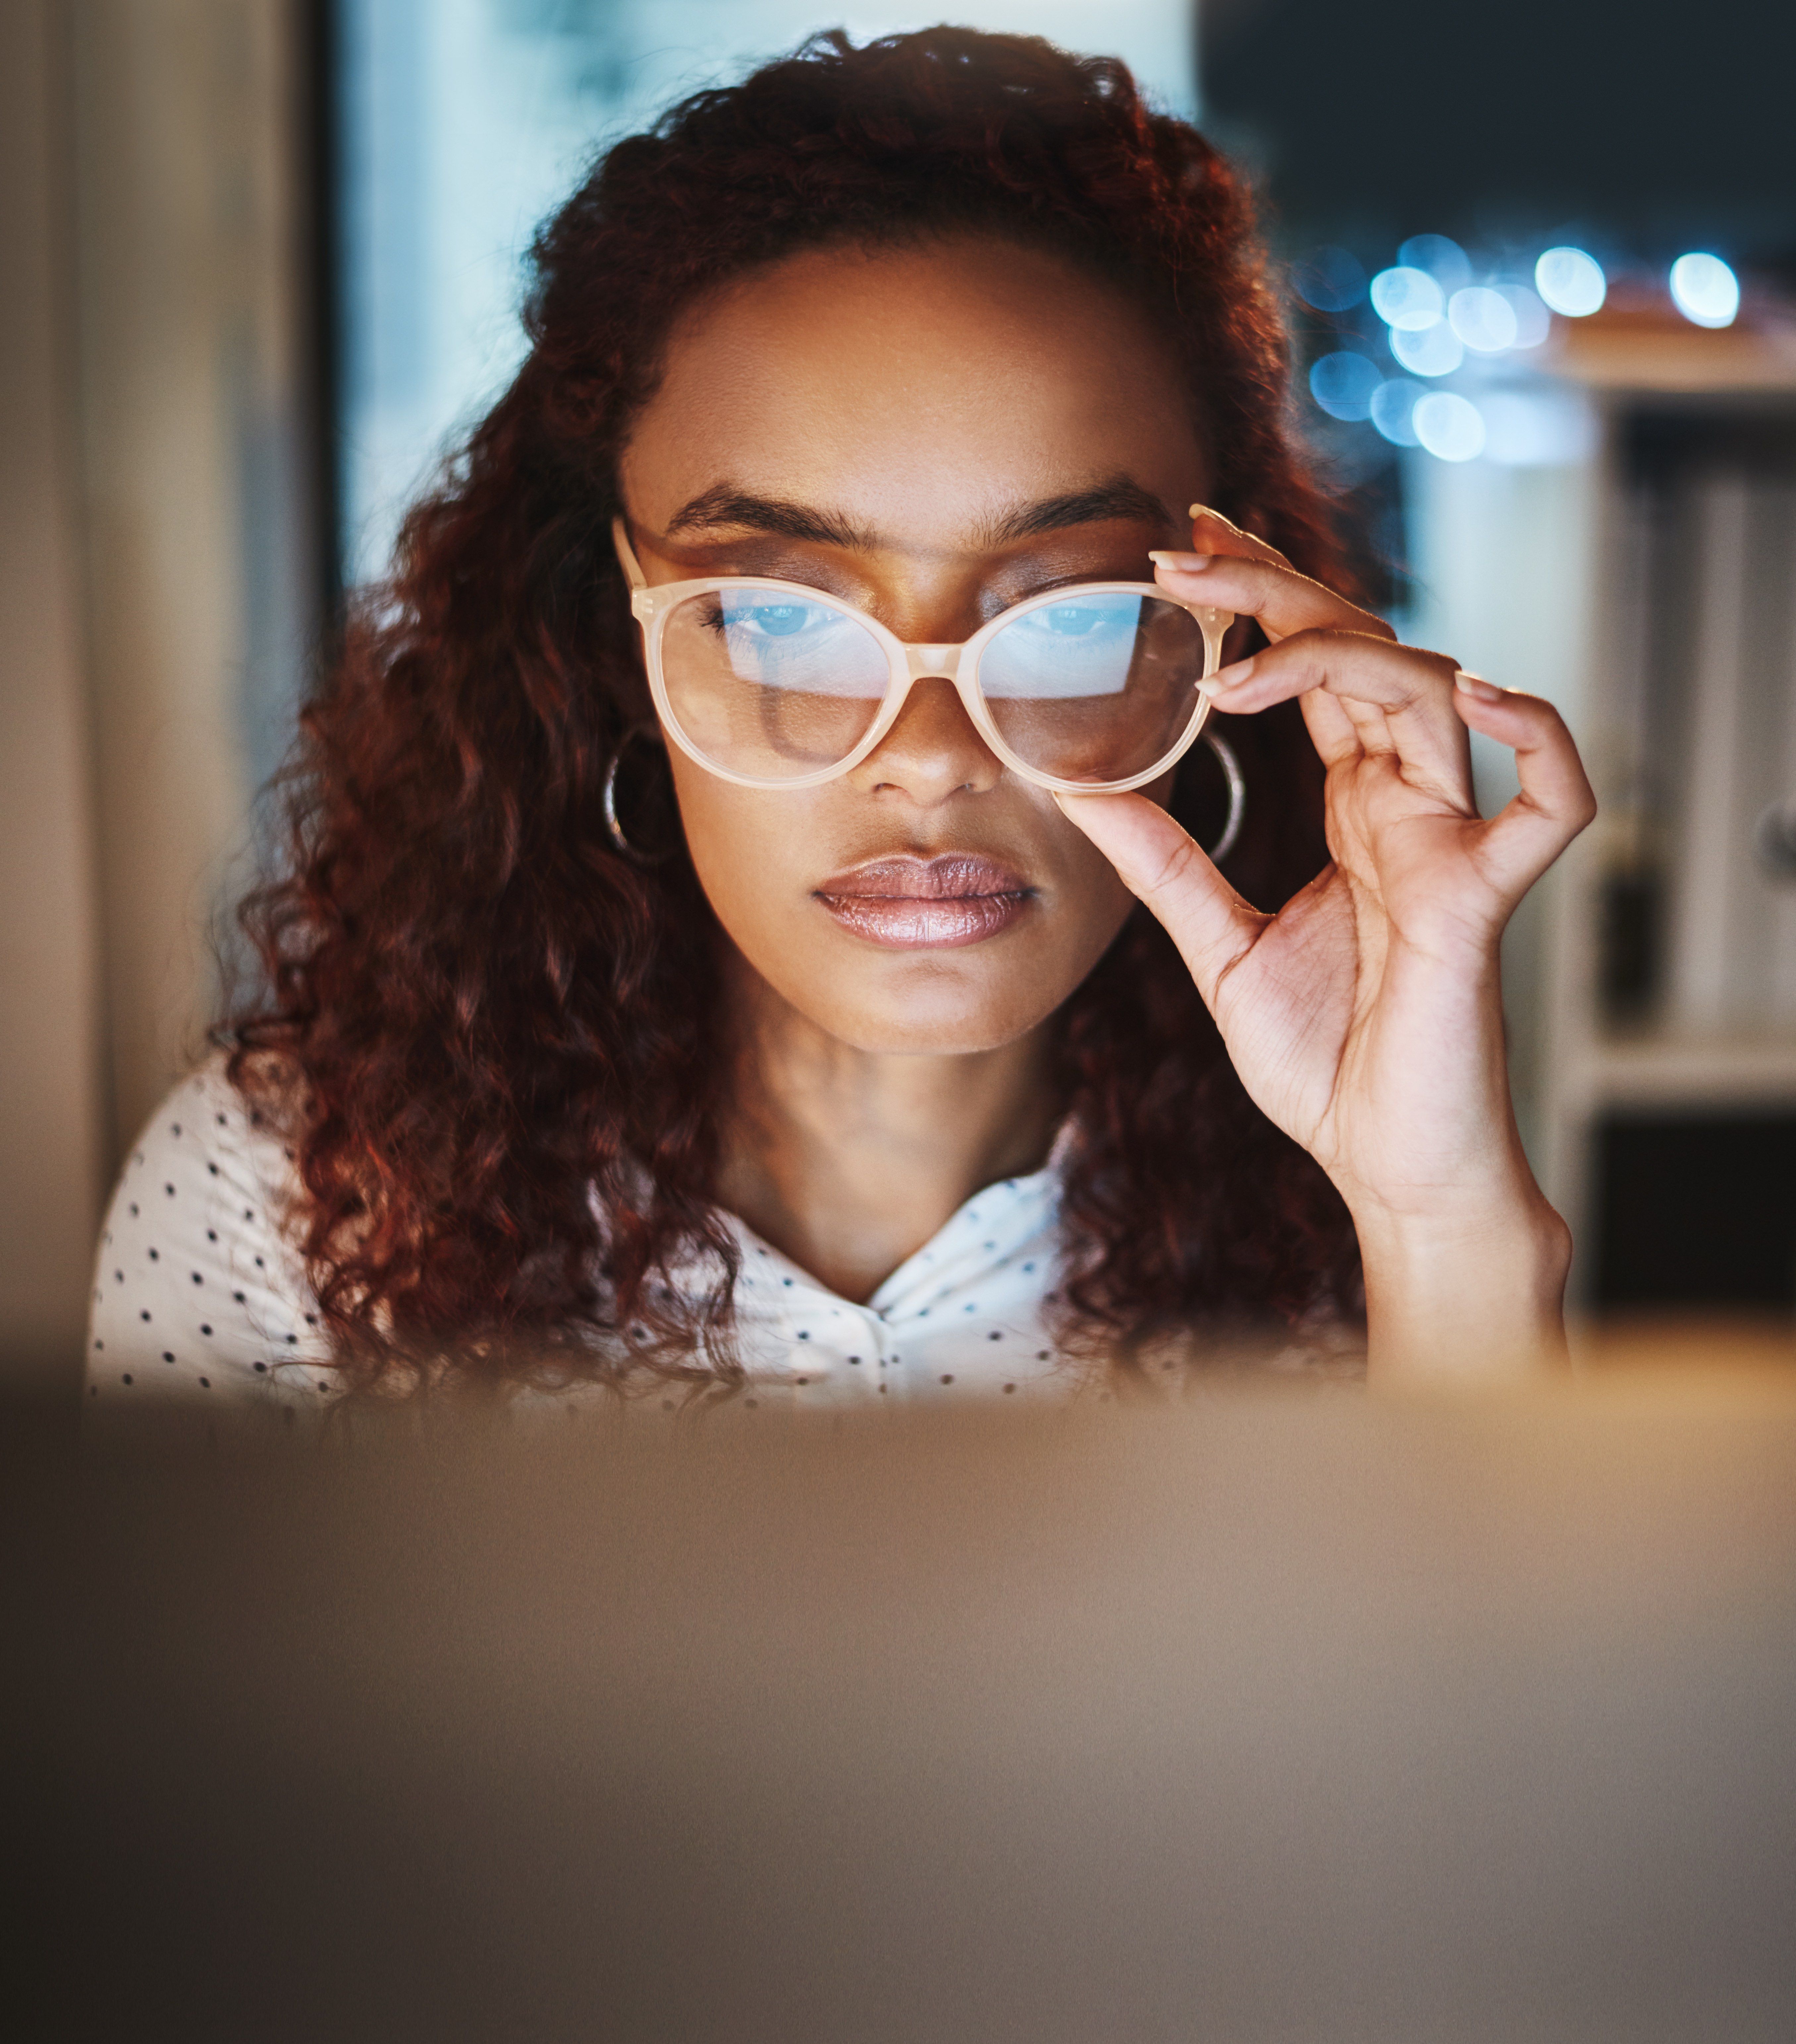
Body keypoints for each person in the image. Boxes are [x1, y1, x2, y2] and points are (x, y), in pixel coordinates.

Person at [86, 26, 1593, 1414]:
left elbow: (1510, 1711)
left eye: (1062, 614)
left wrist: (1435, 1223)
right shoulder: (285, 1208)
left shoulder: (1344, 1186)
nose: (931, 757)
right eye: (784, 617)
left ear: (1216, 639)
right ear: (618, 630)